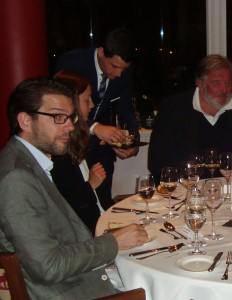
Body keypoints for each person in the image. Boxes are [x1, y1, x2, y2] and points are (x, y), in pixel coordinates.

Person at [0, 78, 148, 299]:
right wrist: (113, 242)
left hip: (81, 277)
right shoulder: (16, 177)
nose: (69, 126)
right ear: (25, 121)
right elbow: (48, 266)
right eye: (58, 117)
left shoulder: (30, 162)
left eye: (71, 117)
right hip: (73, 291)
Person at [55, 28, 139, 209]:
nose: (119, 74)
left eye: (124, 69)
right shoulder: (73, 63)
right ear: (101, 52)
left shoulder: (123, 73)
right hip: (70, 145)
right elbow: (59, 107)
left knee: (102, 203)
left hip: (100, 150)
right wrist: (95, 127)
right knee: (77, 203)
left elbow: (124, 107)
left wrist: (132, 140)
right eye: (114, 67)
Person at [148, 54, 232, 179]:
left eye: (228, 82)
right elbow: (158, 163)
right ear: (200, 83)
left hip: (231, 190)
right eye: (216, 83)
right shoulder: (172, 109)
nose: (224, 89)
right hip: (187, 190)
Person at [52, 70, 106, 234]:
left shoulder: (77, 138)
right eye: (86, 99)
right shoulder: (58, 148)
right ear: (72, 103)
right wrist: (91, 185)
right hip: (84, 236)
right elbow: (65, 206)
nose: (91, 104)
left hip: (98, 223)